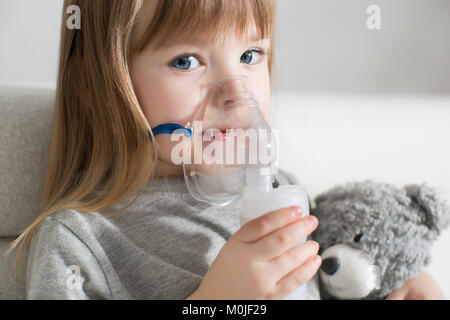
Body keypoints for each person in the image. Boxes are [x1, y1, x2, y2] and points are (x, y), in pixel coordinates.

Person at [8, 0, 444, 300]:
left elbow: (342, 271)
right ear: (97, 86)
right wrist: (215, 301)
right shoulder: (81, 241)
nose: (236, 92)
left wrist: (400, 282)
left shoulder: (284, 190)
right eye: (186, 61)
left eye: (251, 54)